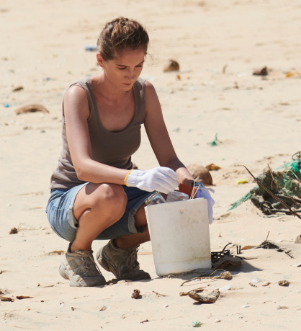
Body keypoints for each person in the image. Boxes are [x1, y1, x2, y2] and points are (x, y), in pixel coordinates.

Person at [47, 18, 215, 287]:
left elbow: (170, 160)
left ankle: (120, 250)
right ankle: (77, 254)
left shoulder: (144, 92)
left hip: (121, 195)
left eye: (139, 66)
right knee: (109, 194)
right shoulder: (78, 95)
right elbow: (82, 167)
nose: (131, 75)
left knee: (180, 198)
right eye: (122, 67)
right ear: (101, 60)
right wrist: (135, 178)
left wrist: (193, 189)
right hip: (71, 204)